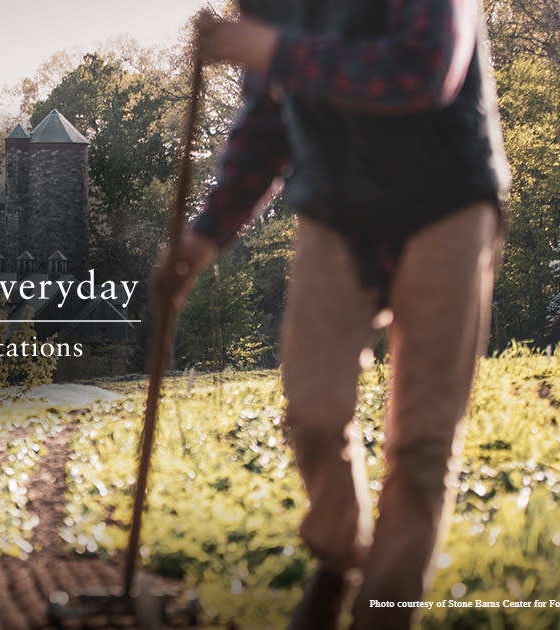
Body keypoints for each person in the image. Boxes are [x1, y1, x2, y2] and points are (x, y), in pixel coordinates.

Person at [151, 1, 509, 628]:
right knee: (313, 411)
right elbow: (267, 123)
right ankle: (339, 552)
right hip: (334, 208)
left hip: (447, 202)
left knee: (423, 442)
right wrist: (204, 234)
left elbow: (423, 69)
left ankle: (384, 611)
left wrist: (271, 49)